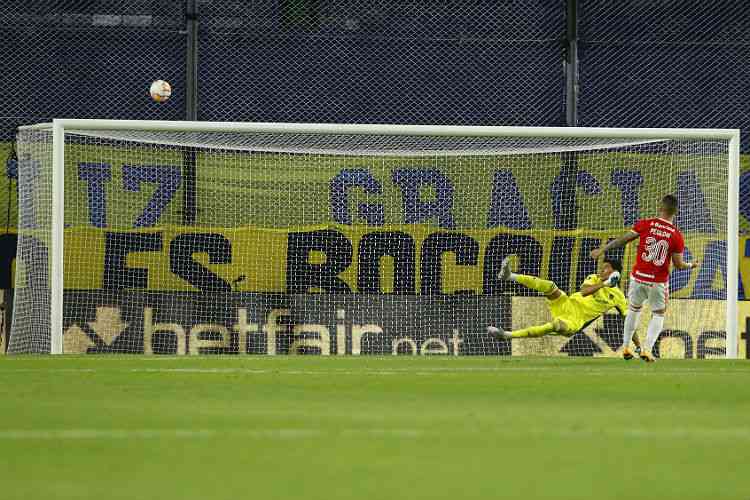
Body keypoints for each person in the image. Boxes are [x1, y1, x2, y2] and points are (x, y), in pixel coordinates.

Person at [590, 194, 698, 362]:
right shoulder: (676, 235)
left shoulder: (646, 224)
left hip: (638, 277)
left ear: (660, 207)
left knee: (633, 310)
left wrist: (603, 250)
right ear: (675, 212)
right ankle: (646, 349)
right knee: (658, 314)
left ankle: (626, 346)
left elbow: (623, 240)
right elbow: (678, 264)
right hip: (657, 282)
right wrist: (691, 265)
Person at [487, 257, 640, 353]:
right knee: (549, 286)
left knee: (556, 325)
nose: (602, 270)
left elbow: (629, 321)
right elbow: (584, 291)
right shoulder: (594, 278)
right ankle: (510, 276)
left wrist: (638, 346)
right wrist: (604, 283)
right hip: (567, 304)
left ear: (615, 273)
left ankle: (506, 335)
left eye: (606, 268)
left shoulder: (619, 297)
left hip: (575, 321)